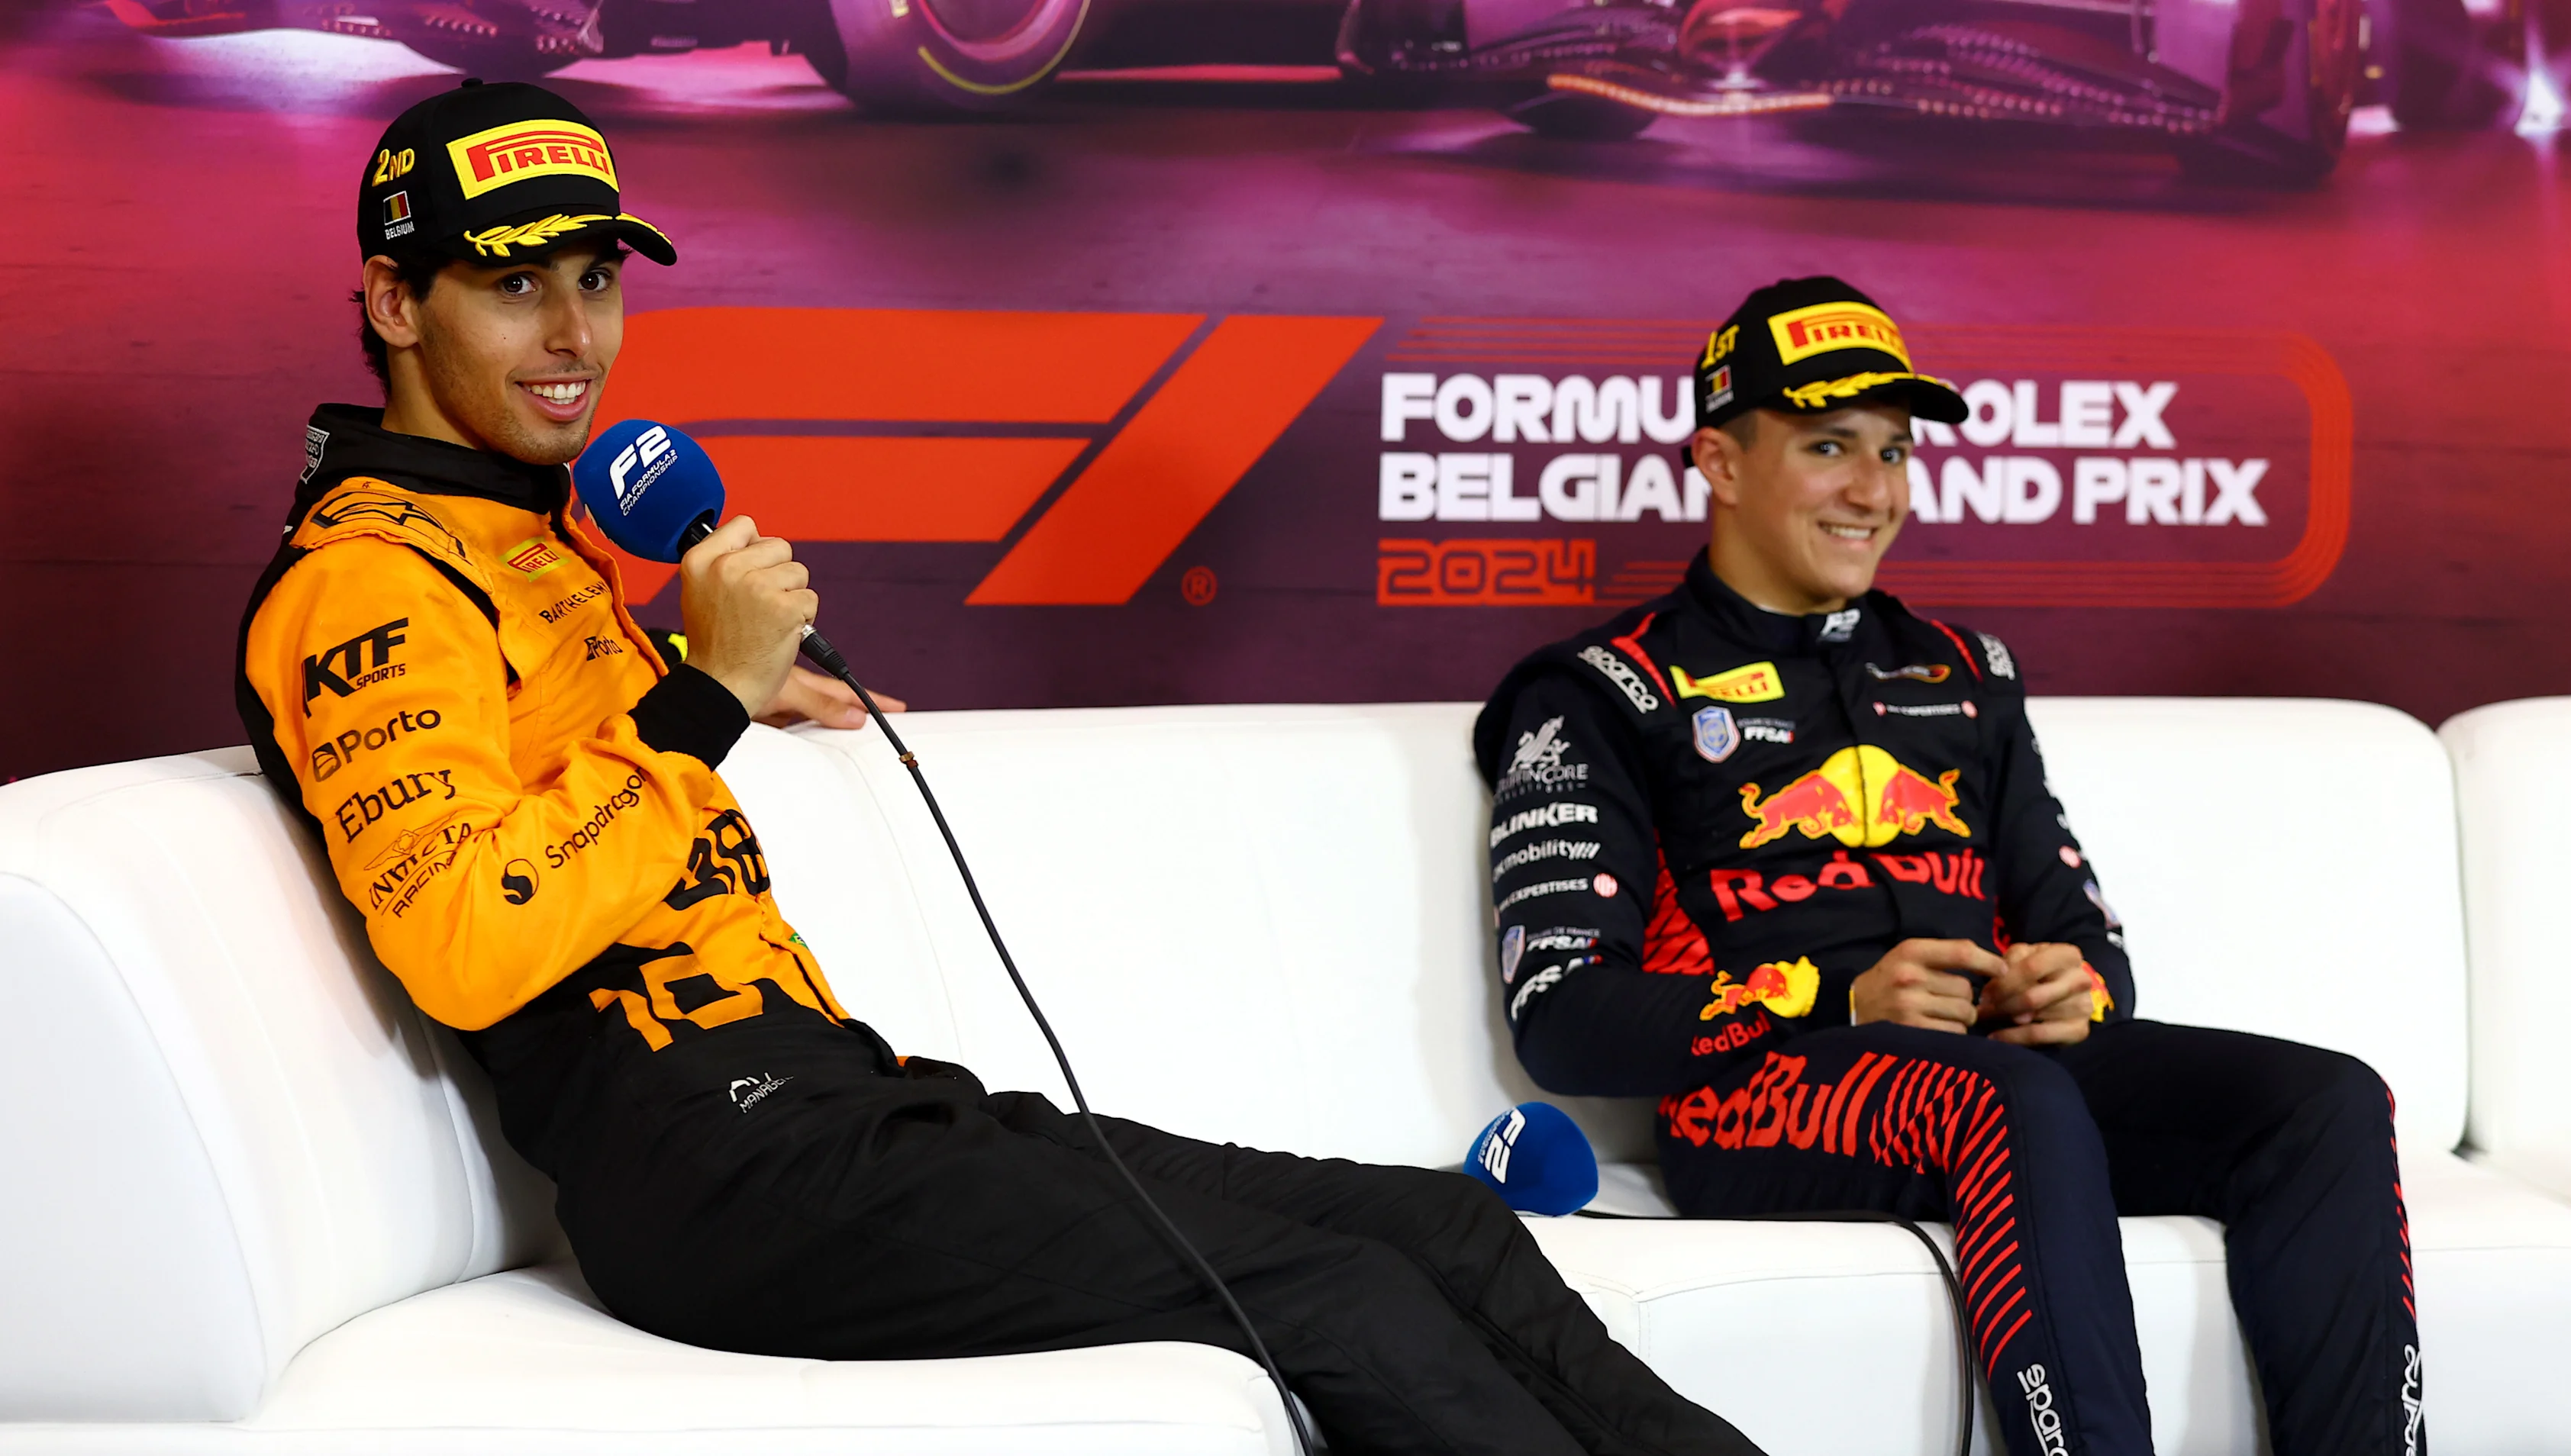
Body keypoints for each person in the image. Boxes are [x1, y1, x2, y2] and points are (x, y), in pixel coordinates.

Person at [235, 78, 1764, 1456]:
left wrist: (718, 687)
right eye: (512, 288)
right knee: (1344, 1300)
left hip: (832, 1103)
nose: (575, 338)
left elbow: (551, 746)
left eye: (594, 281)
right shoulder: (365, 586)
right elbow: (464, 937)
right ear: (390, 300)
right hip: (712, 1175)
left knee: (1442, 1226)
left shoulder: (531, 542)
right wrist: (702, 694)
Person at [1475, 277, 2422, 1456]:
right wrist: (1838, 997)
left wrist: (2072, 986)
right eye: (1830, 447)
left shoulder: (1964, 670)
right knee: (2008, 1099)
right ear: (1719, 462)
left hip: (1993, 1085)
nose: (1874, 493)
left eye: (1895, 452)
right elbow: (1562, 1017)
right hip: (1759, 1093)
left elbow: (2084, 932)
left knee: (2326, 1099)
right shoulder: (1603, 691)